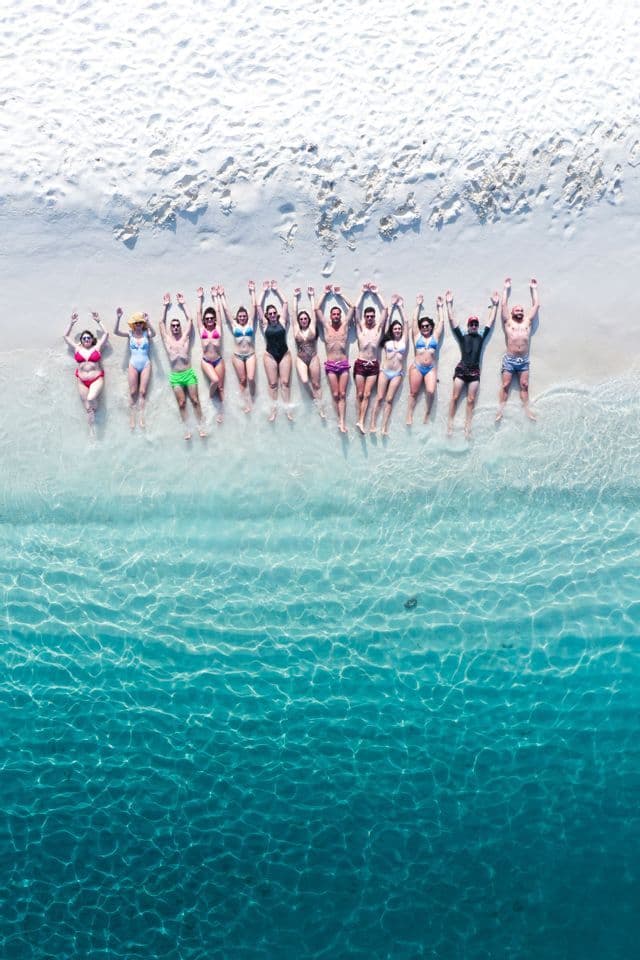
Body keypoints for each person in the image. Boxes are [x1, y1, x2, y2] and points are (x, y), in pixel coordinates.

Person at [446, 289, 499, 439]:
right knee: (455, 397)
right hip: (462, 369)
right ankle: (449, 425)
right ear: (469, 326)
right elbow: (452, 322)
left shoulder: (481, 337)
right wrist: (449, 304)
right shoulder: (463, 337)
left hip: (475, 371)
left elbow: (490, 322)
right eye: (472, 324)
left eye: (476, 324)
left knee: (470, 400)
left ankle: (467, 428)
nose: (474, 326)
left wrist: (495, 305)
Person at [157, 292, 205, 439]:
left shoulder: (185, 338)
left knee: (195, 400)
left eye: (178, 325)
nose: (176, 328)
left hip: (188, 373)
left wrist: (184, 304)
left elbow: (190, 320)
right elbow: (160, 324)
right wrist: (165, 306)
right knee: (182, 403)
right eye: (174, 326)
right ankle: (187, 429)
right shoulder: (167, 340)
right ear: (171, 328)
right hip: (176, 377)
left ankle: (201, 426)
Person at [496, 277, 540, 422]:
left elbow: (536, 305)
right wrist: (506, 288)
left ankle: (527, 410)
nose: (520, 312)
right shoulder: (508, 322)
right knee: (506, 385)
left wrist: (534, 289)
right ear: (513, 312)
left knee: (524, 385)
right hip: (510, 359)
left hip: (524, 360)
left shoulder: (527, 322)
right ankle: (500, 411)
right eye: (517, 310)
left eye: (521, 310)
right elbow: (503, 305)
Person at [315, 285, 354, 433]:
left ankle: (342, 422)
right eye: (334, 314)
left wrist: (341, 294)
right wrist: (324, 294)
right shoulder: (326, 326)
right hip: (331, 365)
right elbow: (317, 310)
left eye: (338, 314)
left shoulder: (344, 326)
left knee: (343, 394)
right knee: (335, 394)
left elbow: (352, 307)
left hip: (343, 364)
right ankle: (339, 419)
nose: (337, 316)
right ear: (331, 316)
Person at [63, 311, 109, 436]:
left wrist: (98, 321)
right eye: (84, 338)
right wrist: (71, 323)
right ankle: (92, 430)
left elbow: (106, 334)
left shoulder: (97, 348)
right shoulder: (77, 348)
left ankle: (96, 410)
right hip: (81, 380)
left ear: (91, 340)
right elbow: (65, 337)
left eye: (88, 338)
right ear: (81, 340)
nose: (87, 339)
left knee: (91, 398)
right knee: (88, 408)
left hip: (96, 378)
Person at [216, 283, 257, 414]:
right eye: (240, 316)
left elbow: (254, 308)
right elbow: (227, 311)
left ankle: (254, 399)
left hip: (250, 354)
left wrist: (252, 292)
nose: (243, 317)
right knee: (243, 380)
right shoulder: (234, 325)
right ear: (237, 318)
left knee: (250, 378)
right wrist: (221, 296)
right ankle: (245, 403)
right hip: (238, 356)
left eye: (244, 316)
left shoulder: (250, 322)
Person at [353, 283, 388, 434]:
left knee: (367, 394)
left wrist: (377, 293)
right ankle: (359, 418)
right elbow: (356, 311)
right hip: (360, 364)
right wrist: (362, 293)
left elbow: (385, 311)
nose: (369, 318)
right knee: (359, 394)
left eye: (372, 316)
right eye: (367, 316)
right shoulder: (360, 329)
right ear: (364, 317)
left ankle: (361, 421)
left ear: (374, 317)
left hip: (373, 365)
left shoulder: (378, 330)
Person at [370, 296, 408, 436]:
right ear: (392, 330)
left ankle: (384, 426)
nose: (397, 330)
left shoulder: (404, 340)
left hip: (397, 374)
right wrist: (392, 308)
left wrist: (401, 307)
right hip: (385, 372)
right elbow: (386, 324)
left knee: (389, 399)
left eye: (399, 329)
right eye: (395, 328)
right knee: (379, 397)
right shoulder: (387, 340)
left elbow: (406, 322)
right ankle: (373, 423)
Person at [113, 308, 156, 429]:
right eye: (136, 323)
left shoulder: (146, 333)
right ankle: (132, 416)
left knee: (142, 392)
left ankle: (142, 416)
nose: (138, 325)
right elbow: (115, 332)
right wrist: (118, 317)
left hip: (146, 364)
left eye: (140, 322)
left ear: (143, 324)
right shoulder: (130, 333)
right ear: (133, 324)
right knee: (132, 393)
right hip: (133, 364)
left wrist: (148, 321)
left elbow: (154, 334)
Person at [406, 294, 444, 426]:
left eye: (427, 326)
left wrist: (440, 307)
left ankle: (427, 413)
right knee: (414, 392)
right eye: (423, 326)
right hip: (417, 367)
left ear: (431, 327)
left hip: (430, 369)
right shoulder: (417, 336)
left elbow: (441, 323)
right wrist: (418, 305)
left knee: (431, 391)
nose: (425, 328)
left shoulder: (436, 336)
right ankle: (410, 414)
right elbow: (414, 320)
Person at [258, 280, 293, 421]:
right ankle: (273, 411)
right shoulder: (265, 324)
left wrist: (277, 290)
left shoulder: (283, 321)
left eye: (274, 313)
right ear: (267, 315)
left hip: (284, 354)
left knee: (284, 383)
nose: (272, 315)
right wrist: (264, 291)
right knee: (273, 384)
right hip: (270, 356)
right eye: (270, 313)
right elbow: (258, 306)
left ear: (276, 314)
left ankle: (288, 410)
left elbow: (285, 303)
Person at [293, 287, 325, 417]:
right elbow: (293, 312)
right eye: (301, 319)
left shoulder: (312, 327)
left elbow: (313, 312)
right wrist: (295, 297)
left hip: (313, 357)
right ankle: (314, 399)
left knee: (316, 384)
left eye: (305, 319)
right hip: (300, 358)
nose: (303, 320)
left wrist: (312, 296)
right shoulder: (296, 328)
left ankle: (321, 408)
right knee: (305, 381)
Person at [196, 287, 225, 423]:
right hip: (206, 361)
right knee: (215, 381)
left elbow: (218, 312)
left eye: (211, 318)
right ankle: (209, 400)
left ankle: (221, 413)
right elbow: (198, 313)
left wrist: (215, 298)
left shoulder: (218, 328)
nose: (209, 320)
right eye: (207, 318)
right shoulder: (202, 329)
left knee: (221, 388)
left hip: (218, 361)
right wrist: (200, 298)